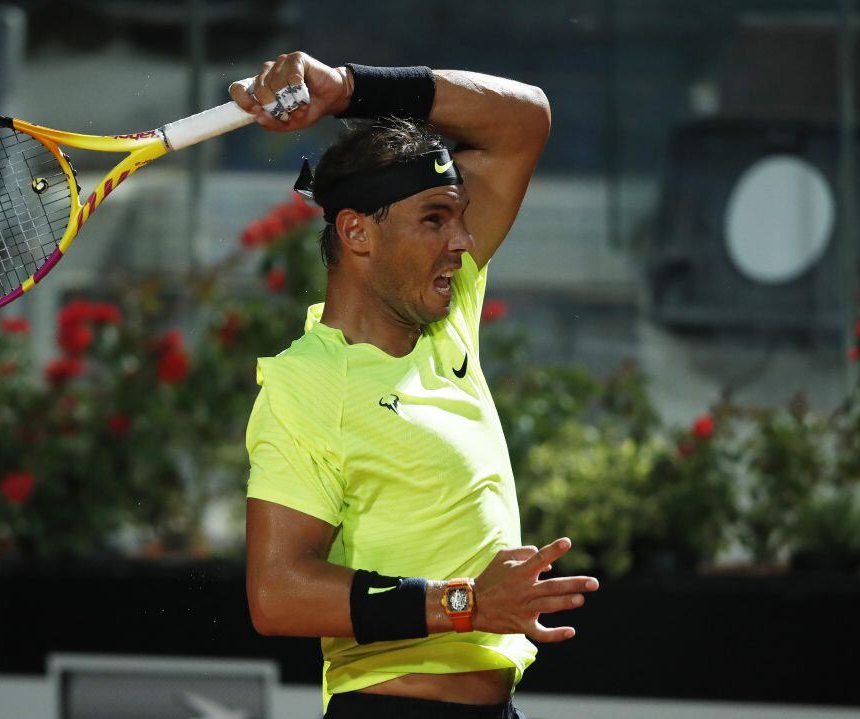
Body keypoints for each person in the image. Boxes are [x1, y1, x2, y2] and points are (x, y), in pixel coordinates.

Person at [229, 53, 600, 719]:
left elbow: (524, 120)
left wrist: (347, 88)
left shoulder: (446, 307)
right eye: (434, 218)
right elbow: (277, 591)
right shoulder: (307, 383)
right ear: (357, 233)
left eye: (460, 214)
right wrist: (468, 604)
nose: (462, 239)